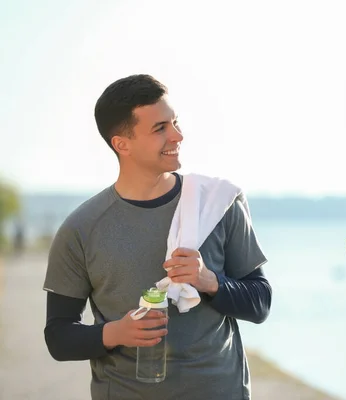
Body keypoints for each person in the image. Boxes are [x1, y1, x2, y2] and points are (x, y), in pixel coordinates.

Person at [43, 74, 272, 400]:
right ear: (122, 144)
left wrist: (210, 281)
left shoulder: (219, 204)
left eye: (175, 122)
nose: (177, 135)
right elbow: (58, 337)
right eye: (160, 128)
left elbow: (260, 303)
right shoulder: (80, 229)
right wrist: (114, 333)